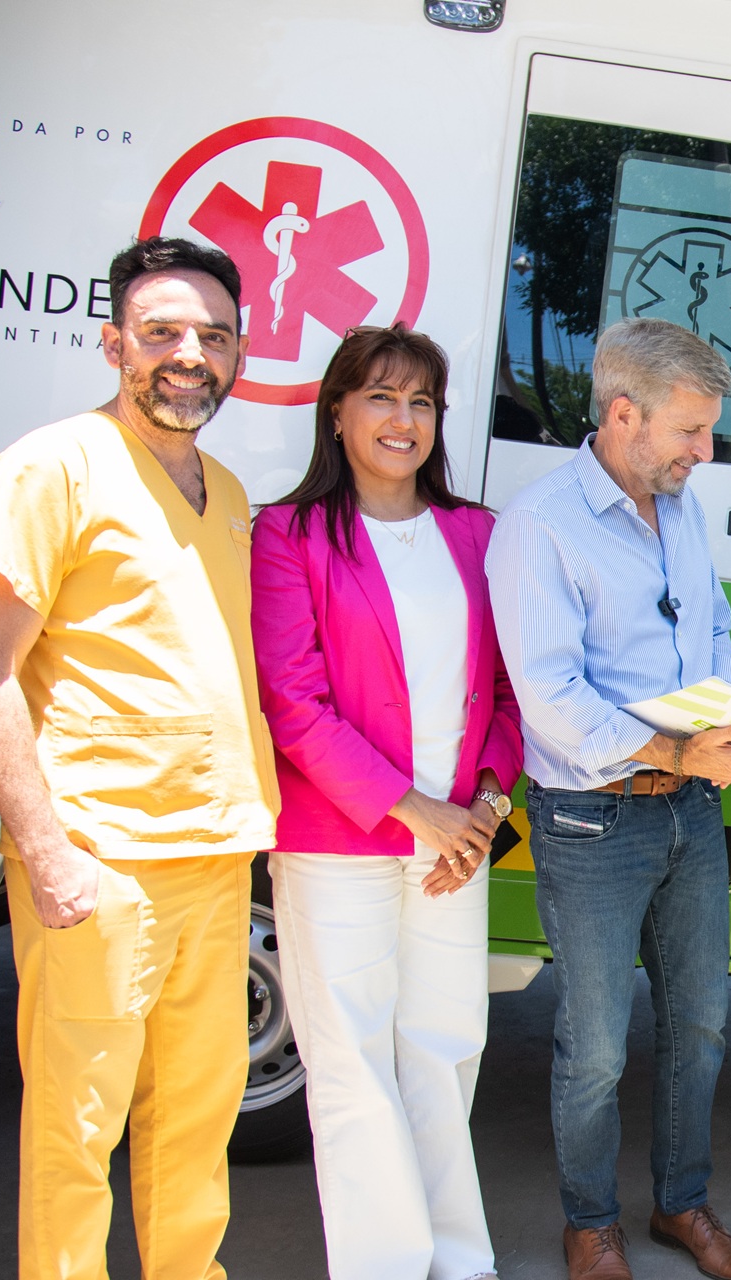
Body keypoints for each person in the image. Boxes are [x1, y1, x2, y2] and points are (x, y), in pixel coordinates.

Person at [0, 237, 281, 1280]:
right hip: (98, 861)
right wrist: (46, 848)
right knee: (77, 1131)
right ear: (115, 341)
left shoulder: (231, 490)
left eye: (212, 334)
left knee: (194, 1128)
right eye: (160, 332)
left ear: (242, 350)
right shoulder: (51, 467)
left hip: (215, 858)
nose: (187, 353)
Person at [487, 317, 731, 1280]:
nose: (705, 452)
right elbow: (550, 696)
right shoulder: (541, 525)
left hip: (690, 813)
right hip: (591, 817)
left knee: (700, 1026)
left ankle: (681, 1208)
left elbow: (710, 644)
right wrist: (674, 748)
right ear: (624, 415)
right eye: (691, 432)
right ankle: (590, 1223)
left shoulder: (681, 507)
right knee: (596, 1049)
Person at [249, 324, 525, 1280]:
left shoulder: (477, 534)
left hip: (458, 839)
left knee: (450, 1048)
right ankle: (384, 1265)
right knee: (352, 1061)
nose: (402, 420)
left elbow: (503, 691)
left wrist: (485, 804)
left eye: (421, 402)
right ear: (337, 411)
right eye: (380, 397)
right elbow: (295, 703)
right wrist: (417, 812)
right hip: (341, 840)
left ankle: (458, 1260)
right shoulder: (289, 536)